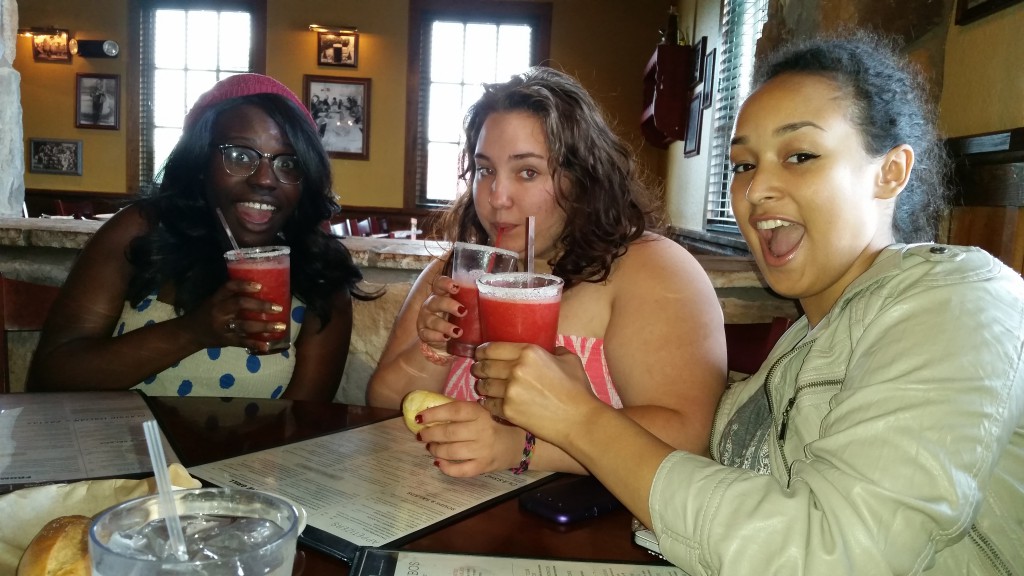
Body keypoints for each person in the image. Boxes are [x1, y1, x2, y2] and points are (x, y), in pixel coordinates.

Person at [471, 32, 1024, 574]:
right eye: (743, 165)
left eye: (800, 155)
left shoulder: (959, 298)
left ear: (891, 172)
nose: (756, 190)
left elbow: (840, 555)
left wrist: (578, 418)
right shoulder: (803, 343)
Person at [367, 66, 728, 478]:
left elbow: (686, 436)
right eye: (485, 170)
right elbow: (381, 408)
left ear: (582, 178)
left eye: (527, 171)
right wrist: (434, 348)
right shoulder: (457, 270)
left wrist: (517, 448)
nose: (497, 198)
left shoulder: (653, 269)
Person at [28, 73, 371, 402]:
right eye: (240, 155)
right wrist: (192, 332)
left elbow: (303, 423)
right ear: (201, 161)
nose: (265, 179)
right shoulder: (142, 230)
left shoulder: (321, 273)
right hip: (127, 457)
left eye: (289, 162)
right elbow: (50, 377)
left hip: (248, 461)